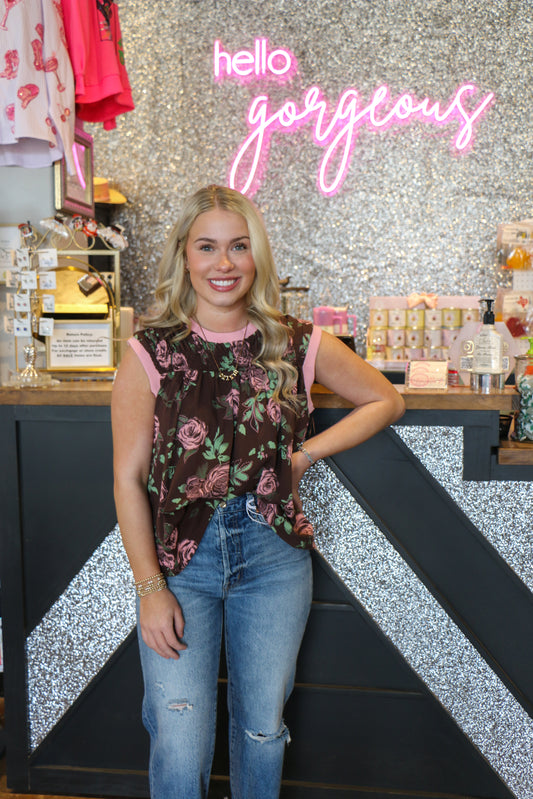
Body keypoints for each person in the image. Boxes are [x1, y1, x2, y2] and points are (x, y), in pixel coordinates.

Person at [111, 184, 405, 799]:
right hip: (180, 565)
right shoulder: (150, 352)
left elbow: (385, 400)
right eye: (207, 247)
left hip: (273, 559)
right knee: (178, 735)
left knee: (263, 730)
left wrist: (304, 456)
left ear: (257, 254)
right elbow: (128, 479)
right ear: (184, 255)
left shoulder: (294, 342)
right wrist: (150, 590)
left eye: (239, 246)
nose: (224, 263)